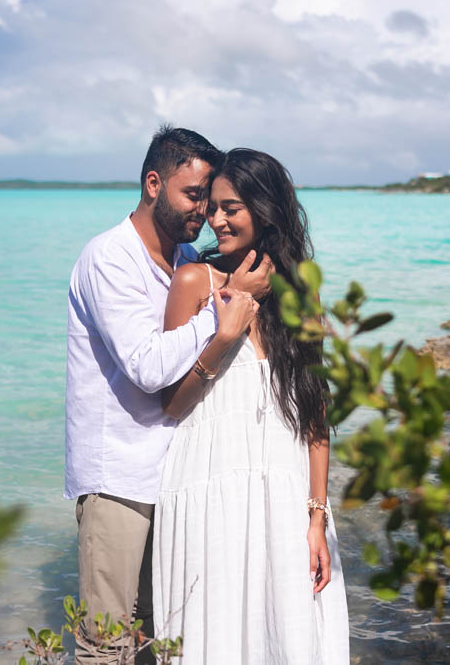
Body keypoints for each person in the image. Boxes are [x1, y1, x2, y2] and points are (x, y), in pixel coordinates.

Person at [64, 127, 273, 664]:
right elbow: (148, 366)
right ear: (154, 182)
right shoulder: (109, 257)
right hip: (119, 479)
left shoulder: (183, 256)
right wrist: (226, 304)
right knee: (105, 644)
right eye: (193, 194)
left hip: (176, 477)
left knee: (163, 639)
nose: (204, 211)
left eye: (209, 198)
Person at [152, 148, 350, 663]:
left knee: (290, 634)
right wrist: (226, 331)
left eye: (230, 207)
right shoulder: (195, 281)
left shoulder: (301, 295)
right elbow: (172, 404)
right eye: (212, 206)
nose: (214, 219)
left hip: (284, 493)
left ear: (265, 211)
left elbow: (315, 417)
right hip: (208, 480)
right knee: (212, 637)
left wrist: (317, 517)